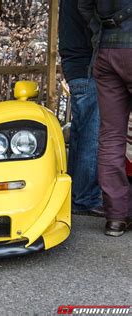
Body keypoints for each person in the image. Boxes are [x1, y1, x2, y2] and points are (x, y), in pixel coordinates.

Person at [79, 0, 132, 236]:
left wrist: (102, 29)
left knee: (111, 137)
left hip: (106, 51)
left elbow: (84, 5)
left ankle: (116, 218)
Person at [59, 0, 104, 217]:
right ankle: (86, 198)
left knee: (80, 131)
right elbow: (95, 27)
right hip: (87, 65)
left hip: (74, 65)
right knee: (91, 135)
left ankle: (75, 193)